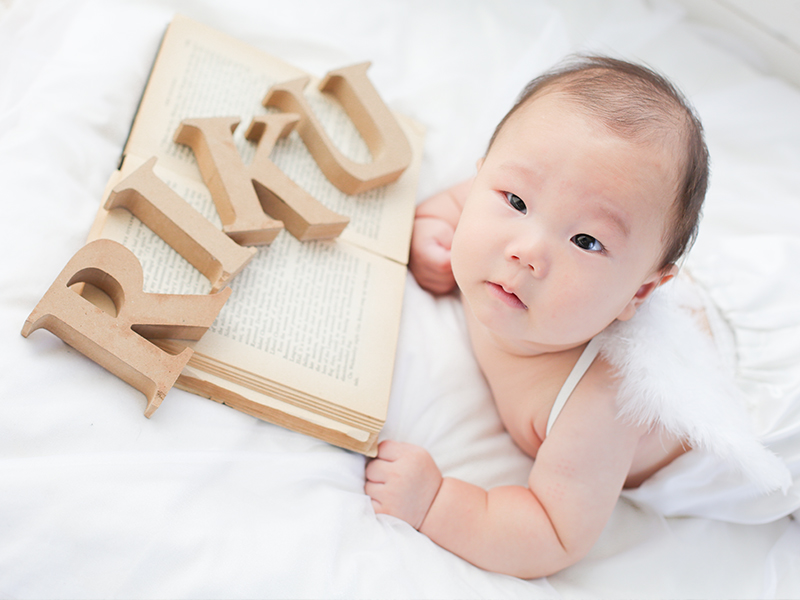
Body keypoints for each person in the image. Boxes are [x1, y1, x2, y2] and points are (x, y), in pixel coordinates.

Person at [364, 55, 713, 578]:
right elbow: (462, 201)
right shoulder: (514, 203)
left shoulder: (597, 401)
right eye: (516, 201)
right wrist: (433, 229)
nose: (527, 251)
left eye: (586, 241)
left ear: (636, 294)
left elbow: (554, 533)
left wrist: (436, 503)